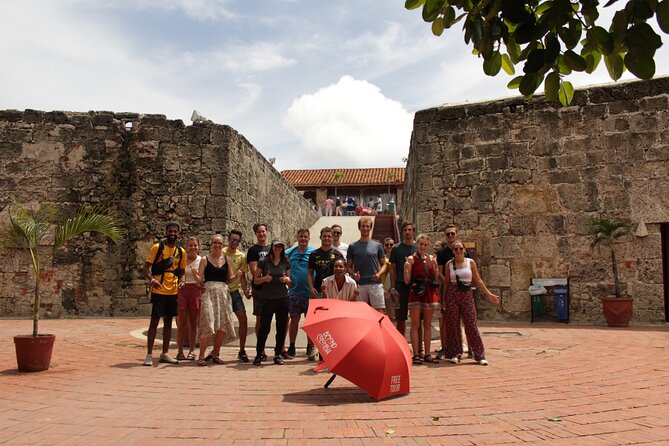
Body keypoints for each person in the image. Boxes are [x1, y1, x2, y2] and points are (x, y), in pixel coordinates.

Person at [443, 240, 500, 365]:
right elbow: (446, 282)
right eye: (455, 249)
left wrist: (488, 294)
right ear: (452, 251)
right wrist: (443, 300)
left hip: (467, 294)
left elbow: (478, 280)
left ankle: (479, 355)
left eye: (460, 248)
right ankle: (455, 353)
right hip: (453, 294)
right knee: (453, 325)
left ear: (464, 250)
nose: (458, 251)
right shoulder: (449, 264)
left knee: (471, 324)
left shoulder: (470, 263)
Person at [143, 222, 187, 366]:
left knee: (168, 322)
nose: (172, 234)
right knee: (154, 321)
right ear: (166, 232)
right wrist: (152, 279)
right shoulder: (158, 248)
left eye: (175, 231)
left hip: (173, 290)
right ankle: (149, 354)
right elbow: (146, 267)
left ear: (178, 234)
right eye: (170, 231)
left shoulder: (181, 252)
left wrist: (181, 281)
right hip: (159, 289)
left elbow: (181, 271)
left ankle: (165, 353)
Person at [196, 234, 239, 366]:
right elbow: (200, 279)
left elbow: (230, 279)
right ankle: (202, 355)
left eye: (220, 243)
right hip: (208, 293)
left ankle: (215, 354)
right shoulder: (204, 259)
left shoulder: (227, 259)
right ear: (211, 244)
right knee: (208, 322)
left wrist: (237, 276)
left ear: (223, 245)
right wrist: (195, 276)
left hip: (223, 294)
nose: (217, 245)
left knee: (222, 325)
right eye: (215, 242)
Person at [307, 226, 344, 360]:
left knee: (332, 323)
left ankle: (331, 349)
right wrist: (311, 287)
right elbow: (310, 273)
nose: (327, 238)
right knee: (315, 321)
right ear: (321, 237)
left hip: (333, 293)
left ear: (332, 237)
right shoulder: (314, 254)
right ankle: (312, 348)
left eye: (329, 236)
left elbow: (341, 274)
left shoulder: (338, 255)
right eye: (325, 236)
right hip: (318, 291)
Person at [253, 239, 293, 366]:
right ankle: (259, 354)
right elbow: (255, 280)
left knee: (281, 328)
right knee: (264, 327)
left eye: (280, 247)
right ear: (272, 247)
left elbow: (290, 281)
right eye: (276, 246)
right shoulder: (263, 261)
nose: (278, 249)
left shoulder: (285, 260)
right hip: (268, 298)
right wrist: (265, 278)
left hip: (282, 298)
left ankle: (277, 354)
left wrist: (286, 279)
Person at [404, 234, 442, 365]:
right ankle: (415, 354)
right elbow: (407, 280)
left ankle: (427, 353)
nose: (423, 247)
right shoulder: (411, 259)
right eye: (421, 244)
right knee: (415, 324)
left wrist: (436, 268)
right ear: (417, 244)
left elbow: (436, 277)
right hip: (416, 292)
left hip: (429, 292)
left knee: (427, 324)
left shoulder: (431, 259)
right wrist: (406, 270)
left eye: (426, 245)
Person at [436, 224, 470, 359]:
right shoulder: (442, 253)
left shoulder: (461, 250)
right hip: (447, 288)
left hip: (461, 289)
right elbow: (439, 272)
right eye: (448, 234)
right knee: (444, 319)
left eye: (452, 234)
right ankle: (445, 347)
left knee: (465, 318)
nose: (450, 236)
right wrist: (448, 282)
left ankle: (466, 346)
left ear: (456, 235)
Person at [285, 229, 315, 359]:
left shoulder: (313, 253)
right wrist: (287, 279)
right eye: (301, 236)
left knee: (310, 322)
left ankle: (310, 346)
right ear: (297, 238)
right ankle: (292, 345)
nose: (303, 239)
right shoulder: (289, 253)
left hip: (310, 294)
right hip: (294, 292)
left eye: (305, 237)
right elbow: (283, 267)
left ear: (309, 238)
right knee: (294, 319)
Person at [347, 217, 387, 313]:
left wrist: (379, 274)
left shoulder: (378, 245)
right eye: (363, 226)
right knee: (361, 313)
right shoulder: (352, 246)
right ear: (359, 228)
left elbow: (384, 265)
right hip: (360, 284)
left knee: (379, 312)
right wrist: (353, 275)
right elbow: (348, 266)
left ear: (370, 228)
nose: (365, 228)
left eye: (367, 226)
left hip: (375, 284)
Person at [224, 229, 252, 363]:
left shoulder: (241, 256)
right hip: (222, 291)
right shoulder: (221, 252)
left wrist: (246, 291)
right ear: (228, 240)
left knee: (243, 318)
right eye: (232, 240)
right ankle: (214, 351)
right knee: (220, 321)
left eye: (237, 240)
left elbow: (243, 277)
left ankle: (242, 350)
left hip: (234, 291)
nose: (234, 242)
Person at [389, 222, 417, 338]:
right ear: (402, 232)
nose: (407, 232)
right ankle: (401, 343)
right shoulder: (396, 248)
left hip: (416, 285)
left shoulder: (418, 246)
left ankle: (419, 348)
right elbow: (392, 269)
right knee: (401, 318)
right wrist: (393, 287)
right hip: (401, 285)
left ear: (413, 231)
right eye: (405, 230)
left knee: (417, 318)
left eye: (410, 230)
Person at [176, 236, 202, 361]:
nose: (193, 247)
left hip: (195, 291)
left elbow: (202, 279)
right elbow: (178, 274)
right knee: (181, 323)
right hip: (183, 290)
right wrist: (180, 282)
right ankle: (180, 351)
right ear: (187, 247)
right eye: (190, 245)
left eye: (195, 245)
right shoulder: (182, 259)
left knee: (193, 323)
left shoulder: (201, 260)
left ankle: (192, 350)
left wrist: (198, 279)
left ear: (199, 247)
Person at [247, 223, 271, 360]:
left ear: (266, 232)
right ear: (255, 234)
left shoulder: (272, 248)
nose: (261, 234)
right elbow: (254, 271)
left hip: (273, 289)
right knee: (260, 319)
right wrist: (266, 276)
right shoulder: (253, 250)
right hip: (260, 289)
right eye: (259, 232)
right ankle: (260, 348)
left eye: (263, 231)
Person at [380, 237, 396, 320]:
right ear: (384, 246)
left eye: (391, 244)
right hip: (385, 290)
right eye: (387, 245)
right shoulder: (382, 260)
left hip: (395, 289)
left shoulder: (397, 258)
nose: (389, 246)